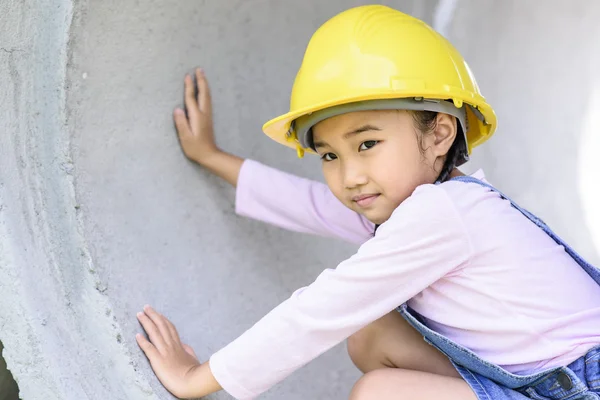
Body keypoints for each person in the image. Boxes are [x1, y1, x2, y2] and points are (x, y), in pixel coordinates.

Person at [135, 5, 600, 400]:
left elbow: (321, 309)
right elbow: (310, 203)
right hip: (547, 381)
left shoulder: (439, 217)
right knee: (373, 335)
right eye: (330, 155)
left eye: (367, 144)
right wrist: (213, 158)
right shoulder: (425, 202)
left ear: (439, 133)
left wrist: (198, 379)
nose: (349, 176)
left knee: (379, 392)